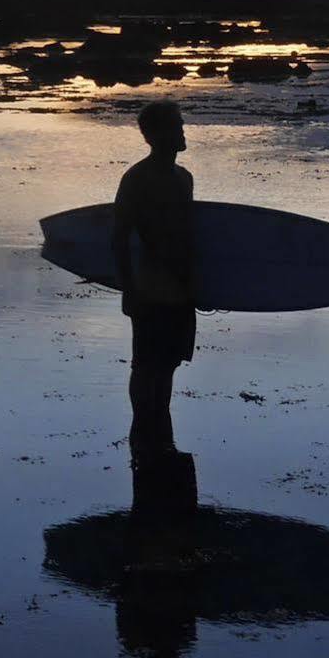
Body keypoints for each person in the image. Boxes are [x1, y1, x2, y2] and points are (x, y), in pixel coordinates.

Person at [113, 100, 195, 454]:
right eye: (176, 126)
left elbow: (190, 237)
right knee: (147, 366)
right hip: (150, 288)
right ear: (155, 135)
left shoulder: (185, 178)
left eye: (181, 125)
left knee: (170, 365)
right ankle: (144, 439)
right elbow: (118, 238)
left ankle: (161, 440)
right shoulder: (137, 179)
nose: (182, 131)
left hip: (181, 289)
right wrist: (128, 289)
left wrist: (200, 285)